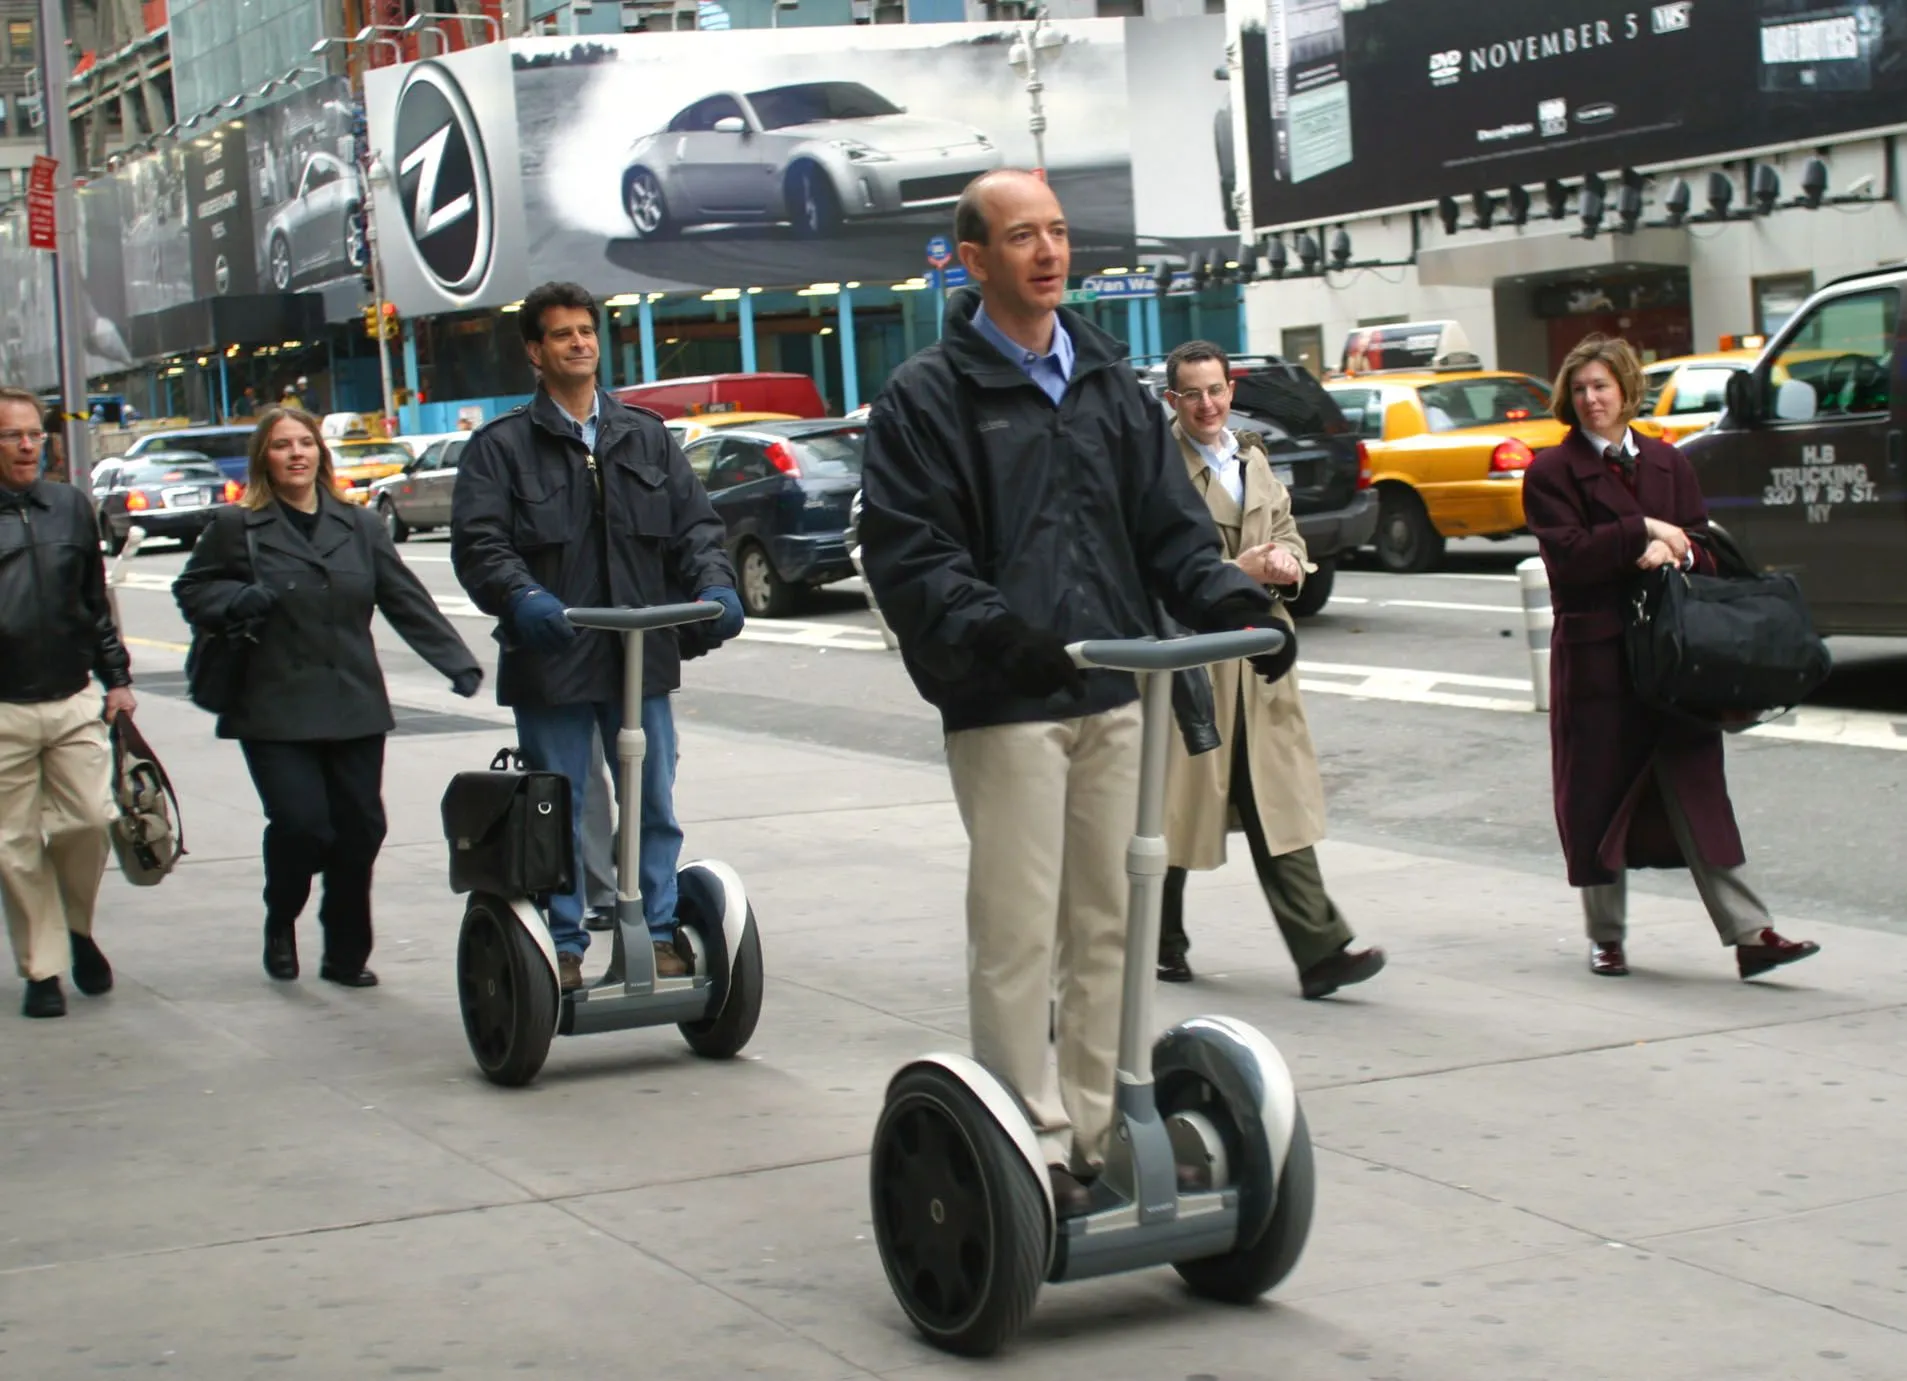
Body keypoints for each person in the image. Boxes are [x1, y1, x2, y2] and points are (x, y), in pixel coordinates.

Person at [859, 171, 1290, 1218]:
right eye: (1020, 237)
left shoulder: (1104, 382)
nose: (1047, 252)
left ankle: (1098, 1132)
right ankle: (1025, 1145)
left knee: (1109, 921)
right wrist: (1005, 643)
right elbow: (911, 555)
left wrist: (1235, 601)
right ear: (972, 260)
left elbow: (1168, 532)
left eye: (1055, 232)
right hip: (1006, 702)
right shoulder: (929, 394)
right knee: (1017, 931)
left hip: (1113, 692)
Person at [450, 281, 743, 994]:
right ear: (534, 352)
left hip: (638, 652)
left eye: (586, 331)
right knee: (558, 803)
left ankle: (660, 932)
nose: (579, 343)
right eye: (561, 334)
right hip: (553, 654)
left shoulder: (643, 436)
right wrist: (522, 598)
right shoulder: (501, 447)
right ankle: (564, 941)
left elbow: (695, 527)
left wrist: (715, 585)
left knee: (653, 801)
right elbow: (481, 544)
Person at [1521, 335, 1819, 981]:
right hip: (1598, 657)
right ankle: (1606, 937)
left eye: (1600, 386)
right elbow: (1567, 557)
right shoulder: (1549, 470)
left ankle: (1750, 934)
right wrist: (1643, 533)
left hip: (1677, 656)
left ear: (1627, 392)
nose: (1589, 399)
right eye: (1578, 389)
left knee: (1699, 790)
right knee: (1595, 796)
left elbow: (1703, 546)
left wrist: (1677, 551)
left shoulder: (1667, 463)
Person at [174, 407, 482, 987]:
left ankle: (345, 954)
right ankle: (281, 916)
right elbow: (192, 588)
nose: (296, 454)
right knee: (303, 826)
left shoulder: (358, 525)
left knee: (360, 830)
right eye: (282, 445)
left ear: (321, 453)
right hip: (272, 704)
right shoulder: (236, 526)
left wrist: (455, 660)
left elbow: (403, 598)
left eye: (306, 443)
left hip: (351, 701)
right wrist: (235, 600)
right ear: (263, 457)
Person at [1157, 342, 1387, 997]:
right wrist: (1239, 571)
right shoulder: (1157, 471)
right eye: (1193, 394)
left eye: (1216, 390)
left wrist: (1288, 562)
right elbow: (1158, 569)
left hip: (1259, 654)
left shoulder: (1250, 455)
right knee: (1173, 808)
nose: (1207, 404)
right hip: (1192, 660)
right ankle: (1156, 936)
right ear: (1172, 401)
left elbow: (1285, 532)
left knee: (1272, 800)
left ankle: (1320, 952)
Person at [0, 387, 133, 1019]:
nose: (28, 446)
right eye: (12, 436)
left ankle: (76, 928)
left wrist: (119, 680)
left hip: (72, 694)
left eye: (35, 435)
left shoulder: (69, 507)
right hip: (3, 709)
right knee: (15, 844)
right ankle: (43, 968)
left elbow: (93, 601)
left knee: (87, 820)